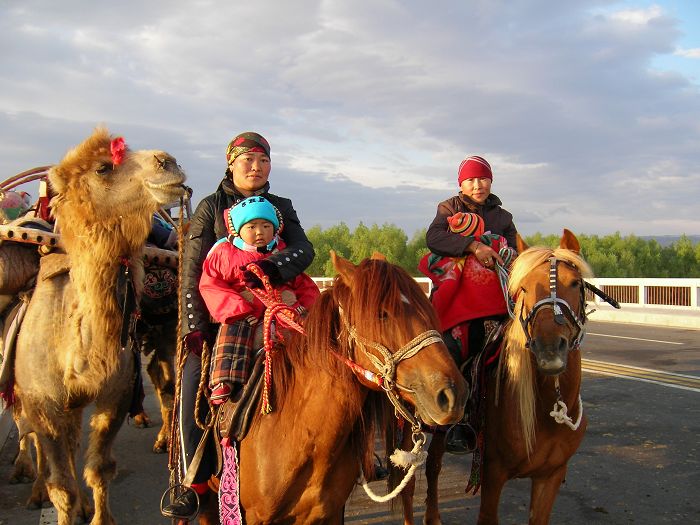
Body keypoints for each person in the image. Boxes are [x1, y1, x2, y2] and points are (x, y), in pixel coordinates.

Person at [162, 132, 315, 520]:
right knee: (192, 382)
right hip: (223, 319)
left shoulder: (282, 206)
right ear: (231, 163)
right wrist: (194, 328)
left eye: (263, 160)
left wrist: (272, 267)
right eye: (247, 159)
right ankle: (191, 482)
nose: (255, 166)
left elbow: (303, 250)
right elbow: (193, 271)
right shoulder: (211, 207)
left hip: (281, 311)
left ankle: (361, 459)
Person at [424, 155, 518, 454]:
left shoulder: (503, 217)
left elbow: (514, 247)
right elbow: (434, 237)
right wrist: (474, 246)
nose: (478, 185)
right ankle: (454, 422)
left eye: (484, 178)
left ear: (491, 181)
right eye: (471, 180)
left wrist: (508, 254)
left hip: (496, 296)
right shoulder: (449, 208)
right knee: (453, 349)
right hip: (461, 295)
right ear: (461, 184)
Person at [199, 196, 319, 403]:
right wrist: (237, 309)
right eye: (251, 226)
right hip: (244, 314)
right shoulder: (224, 254)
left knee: (302, 338)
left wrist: (308, 309)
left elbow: (304, 285)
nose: (259, 232)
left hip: (282, 311)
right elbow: (211, 285)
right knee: (232, 335)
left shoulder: (281, 252)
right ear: (237, 229)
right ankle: (224, 380)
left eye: (266, 225)